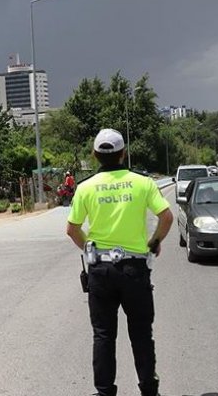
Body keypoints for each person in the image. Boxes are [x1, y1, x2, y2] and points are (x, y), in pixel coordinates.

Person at [66, 128, 173, 396]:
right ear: (123, 153)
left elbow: (72, 228)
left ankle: (104, 392)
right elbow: (167, 217)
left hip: (101, 271)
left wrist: (89, 248)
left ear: (95, 155)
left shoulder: (85, 187)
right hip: (134, 270)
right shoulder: (142, 183)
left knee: (103, 335)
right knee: (141, 334)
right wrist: (154, 242)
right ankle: (149, 390)